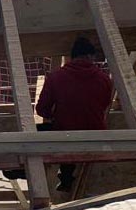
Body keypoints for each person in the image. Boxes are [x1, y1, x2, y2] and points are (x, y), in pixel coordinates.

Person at [35, 36, 113, 191]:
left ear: (72, 57)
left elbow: (41, 109)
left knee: (37, 134)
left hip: (65, 135)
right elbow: (105, 105)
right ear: (91, 56)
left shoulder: (56, 77)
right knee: (73, 132)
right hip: (97, 136)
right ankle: (66, 178)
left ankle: (26, 172)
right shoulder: (104, 79)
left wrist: (56, 115)